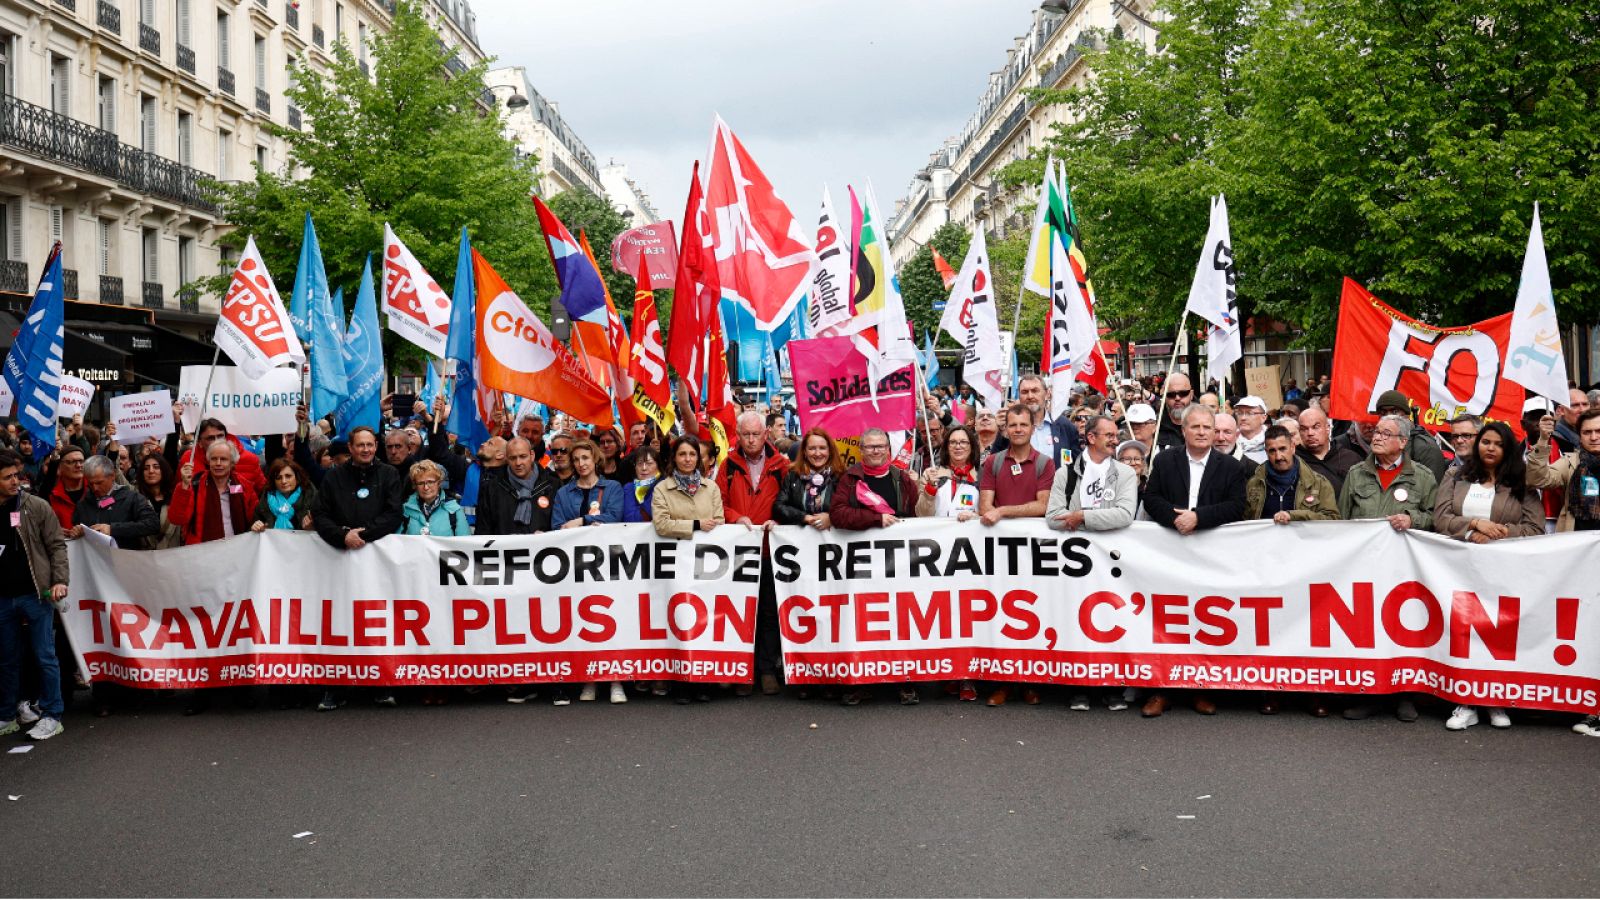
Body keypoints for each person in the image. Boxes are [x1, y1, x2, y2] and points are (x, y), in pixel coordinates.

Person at [1432, 420, 1543, 732]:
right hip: (1459, 569)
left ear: (1507, 449)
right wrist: (1474, 525)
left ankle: (1495, 699)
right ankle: (1465, 702)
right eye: (1485, 442)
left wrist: (1500, 533)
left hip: (1502, 571)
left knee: (1495, 635)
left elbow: (1534, 527)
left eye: (1497, 443)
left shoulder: (1520, 481)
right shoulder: (1456, 475)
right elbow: (1441, 518)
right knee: (1464, 635)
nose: (1490, 448)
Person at [1138, 404, 1246, 718]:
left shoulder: (1230, 467)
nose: (1201, 433)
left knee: (1204, 624)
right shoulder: (1165, 460)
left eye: (1207, 428)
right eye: (1195, 427)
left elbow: (1236, 506)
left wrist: (1198, 518)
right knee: (1166, 624)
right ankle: (1162, 690)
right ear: (1183, 430)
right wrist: (1177, 521)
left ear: (1215, 432)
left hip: (1210, 557)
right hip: (1169, 553)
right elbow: (1152, 497)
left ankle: (1202, 689)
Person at [309, 426, 405, 711]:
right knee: (340, 623)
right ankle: (335, 688)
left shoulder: (389, 474)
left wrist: (364, 535)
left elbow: (393, 513)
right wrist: (342, 536)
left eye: (371, 445)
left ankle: (380, 684)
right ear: (350, 448)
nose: (366, 450)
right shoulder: (334, 477)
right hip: (339, 560)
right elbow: (320, 514)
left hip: (375, 561)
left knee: (376, 622)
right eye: (360, 445)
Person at [830, 427, 920, 706]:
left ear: (888, 450)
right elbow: (838, 514)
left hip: (898, 565)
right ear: (861, 449)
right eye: (870, 447)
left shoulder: (901, 478)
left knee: (900, 621)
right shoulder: (850, 479)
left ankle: (905, 680)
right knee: (864, 624)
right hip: (862, 568)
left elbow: (914, 511)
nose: (876, 451)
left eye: (881, 446)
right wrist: (874, 519)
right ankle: (860, 681)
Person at [977, 405, 1056, 708]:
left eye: (1024, 424)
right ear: (1005, 429)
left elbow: (1042, 506)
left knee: (1032, 617)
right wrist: (995, 511)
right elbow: (985, 506)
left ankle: (1029, 682)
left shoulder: (1045, 464)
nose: (1019, 429)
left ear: (1032, 427)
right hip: (998, 554)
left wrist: (1004, 511)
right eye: (1013, 425)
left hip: (1033, 555)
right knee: (1001, 617)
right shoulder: (993, 463)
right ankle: (1003, 683)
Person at [717, 410, 792, 697]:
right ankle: (742, 670)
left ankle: (766, 670)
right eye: (745, 434)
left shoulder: (781, 465)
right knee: (740, 613)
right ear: (738, 435)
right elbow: (718, 503)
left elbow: (789, 500)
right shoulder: (728, 466)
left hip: (770, 551)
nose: (750, 440)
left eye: (755, 434)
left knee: (770, 613)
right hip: (738, 553)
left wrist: (780, 521)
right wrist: (735, 517)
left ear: (766, 434)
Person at [0, 449, 70, 741]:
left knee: (44, 655)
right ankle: (7, 715)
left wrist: (59, 581)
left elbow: (56, 545)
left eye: (16, 475)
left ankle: (53, 714)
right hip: (3, 598)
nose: (15, 481)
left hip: (36, 594)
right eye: (7, 478)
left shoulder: (35, 506)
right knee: (6, 658)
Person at [551, 439, 625, 706]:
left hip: (608, 565)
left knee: (610, 620)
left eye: (585, 458)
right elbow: (558, 525)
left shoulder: (613, 487)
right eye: (577, 460)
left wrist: (583, 521)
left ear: (595, 460)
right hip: (575, 566)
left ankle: (616, 679)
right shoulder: (563, 493)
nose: (581, 464)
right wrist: (574, 527)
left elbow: (615, 517)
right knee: (584, 622)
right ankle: (589, 679)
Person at [652, 435, 725, 704]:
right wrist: (694, 525)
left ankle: (703, 680)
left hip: (705, 565)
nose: (687, 459)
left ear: (699, 458)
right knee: (680, 621)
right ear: (674, 458)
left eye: (692, 455)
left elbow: (719, 521)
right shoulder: (663, 489)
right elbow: (661, 524)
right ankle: (680, 682)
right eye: (682, 454)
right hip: (675, 566)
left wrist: (697, 525)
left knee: (705, 621)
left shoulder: (711, 488)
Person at [170, 440, 260, 546]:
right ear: (208, 461)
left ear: (232, 463)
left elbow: (255, 517)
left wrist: (257, 524)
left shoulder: (244, 486)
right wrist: (184, 486)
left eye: (223, 459)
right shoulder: (194, 484)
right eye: (214, 459)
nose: (218, 463)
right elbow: (177, 519)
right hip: (202, 552)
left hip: (237, 549)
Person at [1527, 407, 1600, 532]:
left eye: (1599, 431)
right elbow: (1538, 480)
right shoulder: (1570, 462)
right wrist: (1543, 440)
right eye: (1587, 432)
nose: (1593, 437)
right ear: (1579, 436)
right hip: (1578, 544)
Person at [70, 455, 159, 548]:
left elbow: (153, 524)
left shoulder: (132, 498)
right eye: (90, 484)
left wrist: (112, 529)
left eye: (99, 483)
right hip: (94, 559)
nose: (95, 488)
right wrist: (77, 531)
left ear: (112, 476)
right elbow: (77, 528)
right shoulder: (83, 504)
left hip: (126, 558)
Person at [476, 438, 560, 536]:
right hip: (504, 549)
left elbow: (561, 528)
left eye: (523, 456)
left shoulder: (553, 485)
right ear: (507, 459)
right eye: (513, 458)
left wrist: (547, 536)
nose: (518, 463)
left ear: (532, 455)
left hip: (543, 549)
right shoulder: (491, 488)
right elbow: (483, 530)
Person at [775, 428, 842, 531]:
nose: (818, 453)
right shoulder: (793, 475)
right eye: (812, 448)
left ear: (830, 450)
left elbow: (851, 510)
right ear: (805, 452)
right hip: (800, 542)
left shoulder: (841, 476)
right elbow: (779, 507)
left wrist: (831, 518)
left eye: (822, 448)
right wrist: (804, 517)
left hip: (833, 544)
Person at [1372, 391, 1448, 480]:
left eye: (1395, 411)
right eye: (1383, 412)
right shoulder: (1376, 444)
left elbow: (1433, 489)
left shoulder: (1425, 448)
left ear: (1407, 416)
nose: (1389, 416)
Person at [915, 424, 982, 521]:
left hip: (969, 534)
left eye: (963, 442)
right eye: (953, 442)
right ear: (947, 447)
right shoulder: (931, 474)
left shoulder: (982, 475)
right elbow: (921, 514)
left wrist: (975, 517)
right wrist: (930, 490)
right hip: (937, 534)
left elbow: (989, 512)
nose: (958, 446)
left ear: (972, 446)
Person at [1297, 408, 1362, 494]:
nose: (1310, 433)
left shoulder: (1350, 458)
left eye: (1316, 427)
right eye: (1304, 429)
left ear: (1328, 428)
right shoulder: (1295, 462)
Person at [400, 460, 470, 537]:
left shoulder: (455, 511)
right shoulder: (406, 510)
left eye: (430, 482)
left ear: (439, 483)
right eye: (420, 483)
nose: (426, 487)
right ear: (415, 486)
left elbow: (465, 544)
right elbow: (397, 543)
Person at [250, 458, 318, 532]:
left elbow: (324, 526)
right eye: (279, 478)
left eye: (288, 476)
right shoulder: (266, 497)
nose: (284, 481)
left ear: (297, 477)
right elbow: (255, 523)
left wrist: (312, 528)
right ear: (274, 481)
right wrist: (256, 526)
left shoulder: (310, 495)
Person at [133, 452, 184, 549]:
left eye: (156, 467)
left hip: (172, 558)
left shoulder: (176, 497)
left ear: (163, 470)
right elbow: (116, 474)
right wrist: (114, 444)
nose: (151, 471)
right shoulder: (135, 497)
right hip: (144, 559)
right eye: (146, 468)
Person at [46, 446, 89, 532]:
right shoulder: (51, 494)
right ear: (60, 467)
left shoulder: (94, 488)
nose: (78, 465)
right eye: (71, 462)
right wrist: (55, 531)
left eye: (81, 461)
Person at [621, 445, 664, 523]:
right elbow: (630, 519)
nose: (644, 468)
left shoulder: (665, 485)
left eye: (649, 463)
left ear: (658, 466)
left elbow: (658, 515)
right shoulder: (629, 488)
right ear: (635, 467)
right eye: (640, 463)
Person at [1154, 372, 1195, 451]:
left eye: (1183, 393)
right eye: (1171, 394)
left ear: (1191, 395)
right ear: (1164, 396)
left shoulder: (1204, 423)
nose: (1177, 398)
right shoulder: (1155, 426)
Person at [1231, 396, 1270, 463]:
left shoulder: (1271, 440)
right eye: (1239, 413)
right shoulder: (1229, 440)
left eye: (1250, 413)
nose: (1243, 418)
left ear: (1263, 418)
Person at [1554, 389, 1590, 454]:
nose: (1582, 410)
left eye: (1585, 404)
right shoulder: (1556, 438)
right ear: (1561, 410)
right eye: (1575, 405)